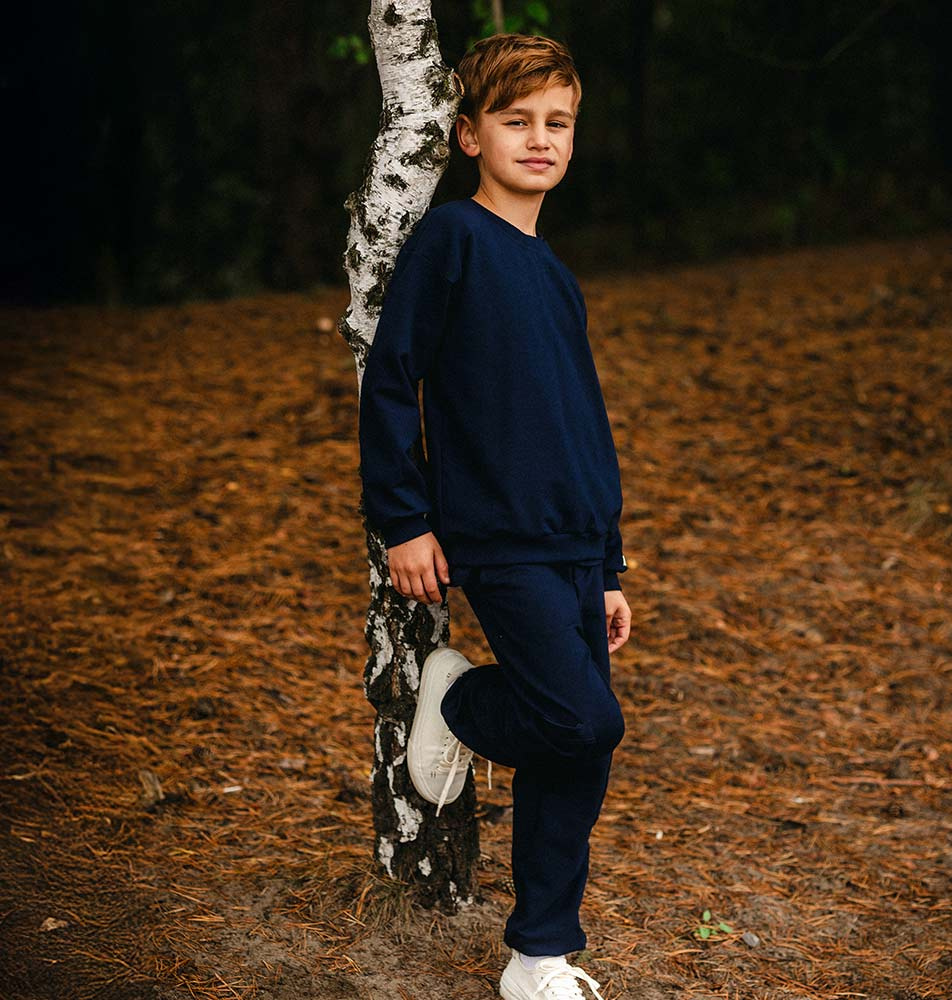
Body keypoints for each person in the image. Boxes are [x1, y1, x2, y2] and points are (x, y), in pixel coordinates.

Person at [358, 32, 631, 1000]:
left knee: (576, 752)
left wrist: (608, 563)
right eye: (517, 121)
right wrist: (402, 519)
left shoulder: (552, 272)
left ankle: (539, 954)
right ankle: (458, 703)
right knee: (583, 721)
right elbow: (391, 381)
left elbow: (582, 421)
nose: (540, 139)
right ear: (470, 136)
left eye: (558, 122)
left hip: (572, 541)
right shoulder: (453, 241)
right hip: (500, 537)